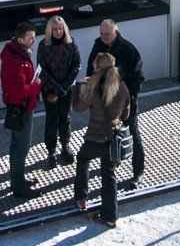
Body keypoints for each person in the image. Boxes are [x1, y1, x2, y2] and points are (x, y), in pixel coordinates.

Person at [71, 52, 130, 229]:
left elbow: (77, 108)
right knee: (109, 175)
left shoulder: (94, 88)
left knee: (82, 159)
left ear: (98, 68)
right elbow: (126, 114)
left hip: (95, 139)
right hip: (112, 139)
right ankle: (110, 216)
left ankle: (81, 198)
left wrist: (77, 87)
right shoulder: (123, 86)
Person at [86, 19, 145, 189]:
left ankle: (138, 171)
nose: (104, 37)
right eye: (101, 34)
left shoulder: (128, 49)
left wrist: (127, 97)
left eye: (107, 34)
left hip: (125, 103)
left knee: (133, 133)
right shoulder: (98, 47)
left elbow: (138, 77)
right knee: (107, 136)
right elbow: (91, 72)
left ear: (116, 32)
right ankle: (112, 163)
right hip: (104, 104)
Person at [1, 22, 43, 198]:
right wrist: (36, 85)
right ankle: (18, 186)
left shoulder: (17, 53)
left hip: (21, 106)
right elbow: (20, 90)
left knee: (18, 146)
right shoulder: (16, 59)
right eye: (30, 39)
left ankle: (18, 179)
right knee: (21, 147)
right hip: (22, 108)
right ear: (20, 39)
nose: (33, 42)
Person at [38, 15, 81, 169]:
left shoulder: (70, 43)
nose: (57, 32)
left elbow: (76, 65)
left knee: (65, 118)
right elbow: (41, 69)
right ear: (50, 30)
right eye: (55, 29)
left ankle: (65, 145)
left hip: (66, 89)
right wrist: (58, 87)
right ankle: (51, 151)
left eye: (60, 29)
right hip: (51, 90)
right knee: (51, 120)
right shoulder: (44, 45)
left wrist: (65, 86)